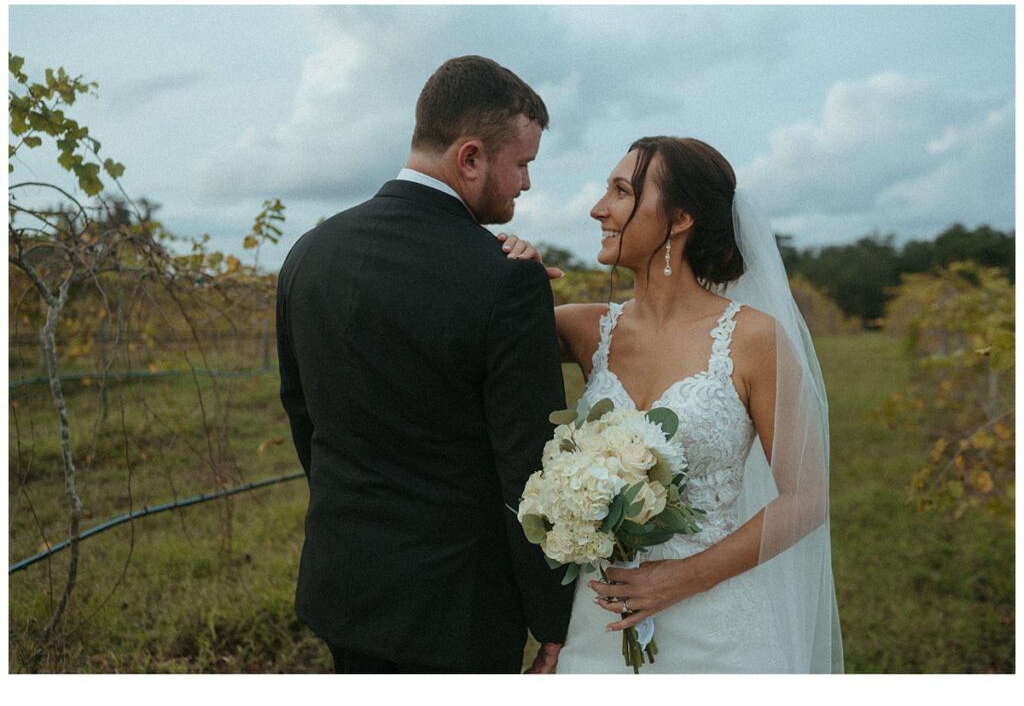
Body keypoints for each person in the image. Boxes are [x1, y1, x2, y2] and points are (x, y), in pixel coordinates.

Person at [276, 55, 574, 674]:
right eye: (522, 165)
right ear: (470, 158)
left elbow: (305, 418)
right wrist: (554, 619)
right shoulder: (506, 283)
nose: (525, 184)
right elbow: (530, 469)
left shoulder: (308, 253)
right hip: (456, 611)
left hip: (342, 585)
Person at [501, 136, 843, 672]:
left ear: (679, 217)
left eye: (620, 191)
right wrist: (508, 276)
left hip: (716, 627)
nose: (598, 208)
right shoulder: (588, 330)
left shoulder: (754, 339)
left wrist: (679, 579)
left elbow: (805, 499)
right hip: (600, 624)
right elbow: (481, 333)